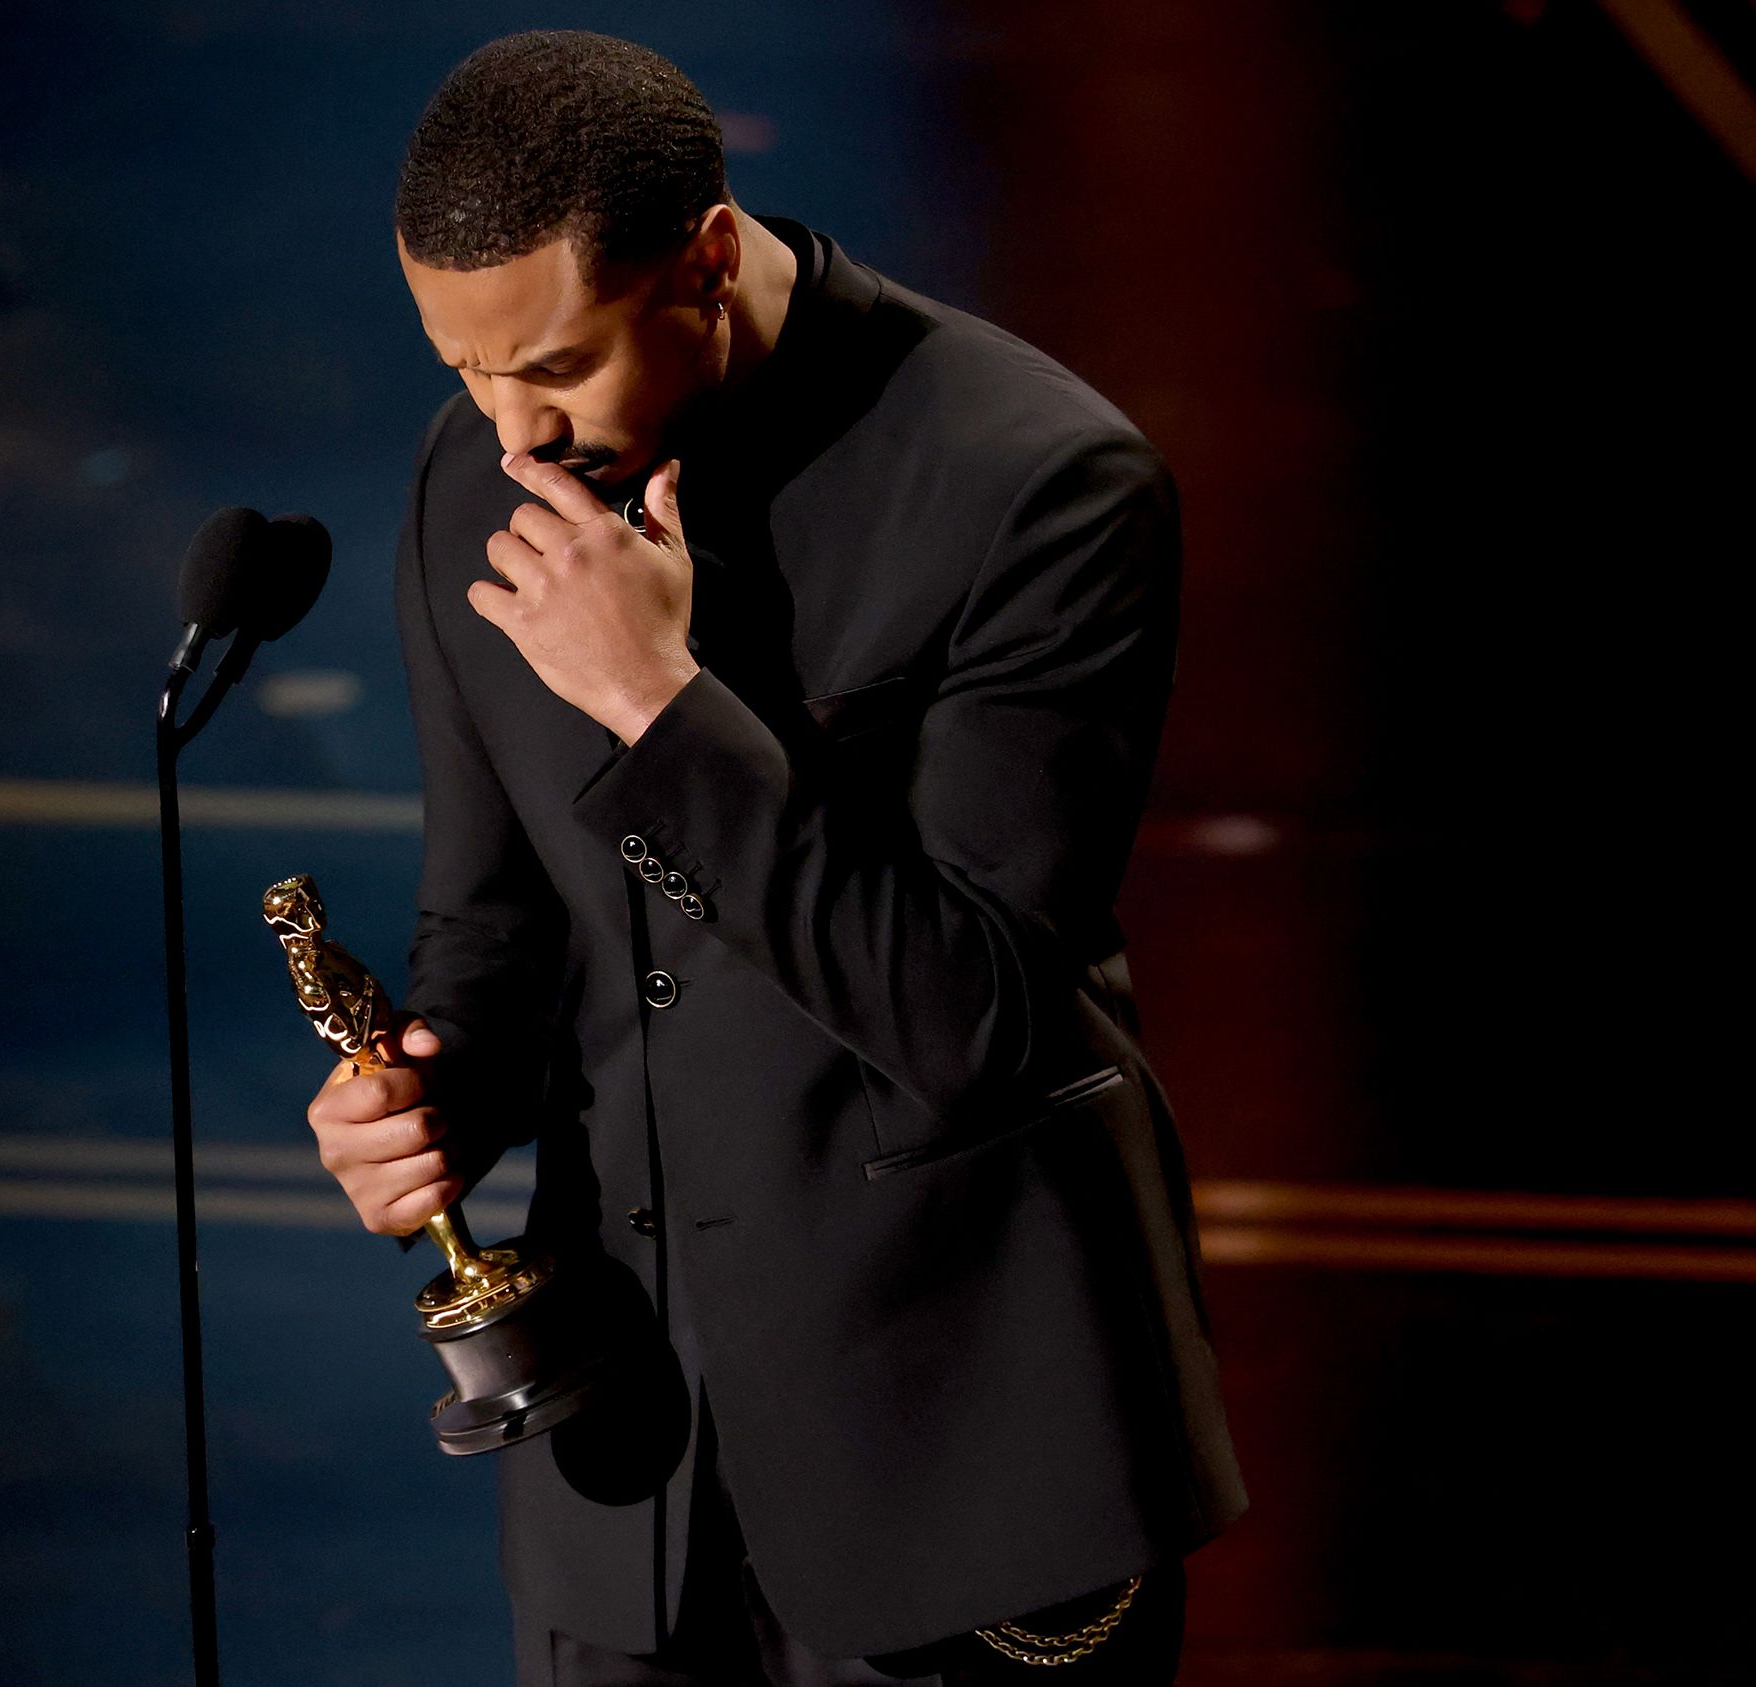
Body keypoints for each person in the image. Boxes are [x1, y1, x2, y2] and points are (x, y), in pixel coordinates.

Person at [299, 30, 1247, 1686]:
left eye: (557, 367)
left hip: (964, 1472)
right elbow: (496, 929)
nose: (510, 428)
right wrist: (425, 1105)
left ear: (710, 257)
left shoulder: (1039, 486)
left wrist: (657, 703)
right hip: (634, 1481)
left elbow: (971, 1023)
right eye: (462, 369)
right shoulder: (479, 475)